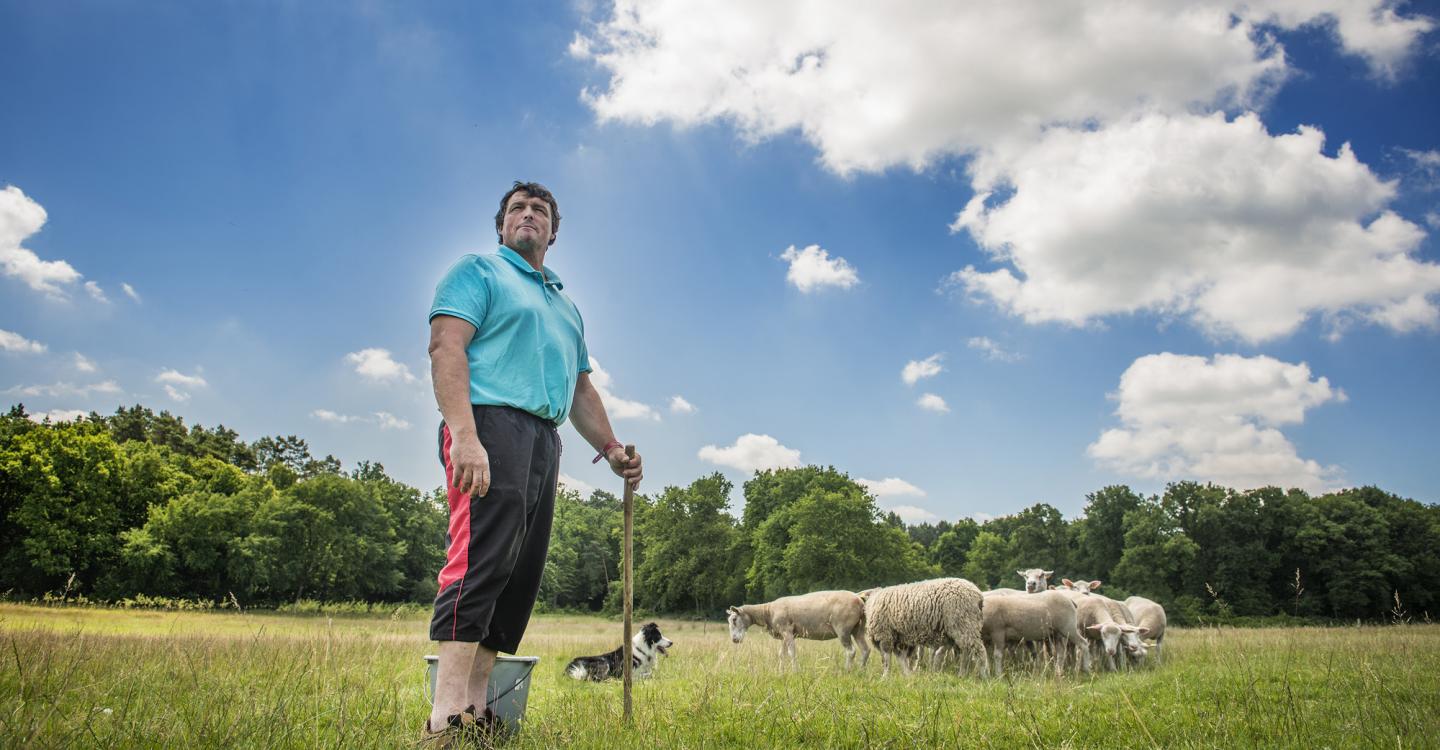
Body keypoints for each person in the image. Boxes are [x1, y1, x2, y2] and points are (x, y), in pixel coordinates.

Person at [423, 180, 642, 743]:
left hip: (544, 439)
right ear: (501, 226)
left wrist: (612, 449)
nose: (528, 215)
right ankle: (445, 715)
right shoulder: (479, 271)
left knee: (517, 574)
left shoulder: (565, 304)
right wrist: (464, 435)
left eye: (539, 210)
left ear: (553, 231)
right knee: (479, 561)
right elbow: (447, 346)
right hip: (488, 423)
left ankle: (477, 709)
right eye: (517, 208)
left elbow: (581, 391)